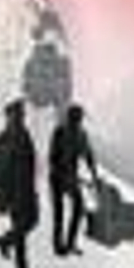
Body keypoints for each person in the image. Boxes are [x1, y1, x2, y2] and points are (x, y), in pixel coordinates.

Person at [0, 100, 41, 268]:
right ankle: (10, 250)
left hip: (20, 191)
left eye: (21, 115)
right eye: (18, 114)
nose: (21, 117)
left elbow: (28, 165)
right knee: (27, 224)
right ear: (10, 116)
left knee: (25, 226)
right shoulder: (8, 139)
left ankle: (9, 247)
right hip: (16, 193)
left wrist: (0, 193)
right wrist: (1, 194)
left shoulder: (14, 136)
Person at [48, 104, 99, 257]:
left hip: (70, 178)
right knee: (59, 213)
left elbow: (88, 155)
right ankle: (59, 246)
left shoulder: (81, 134)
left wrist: (93, 173)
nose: (78, 121)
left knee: (78, 208)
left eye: (79, 119)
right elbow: (52, 156)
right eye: (76, 118)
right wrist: (61, 171)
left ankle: (70, 244)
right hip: (58, 177)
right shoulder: (60, 132)